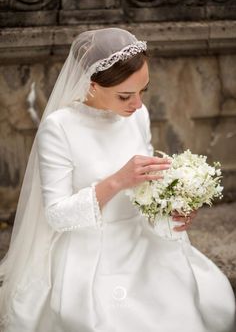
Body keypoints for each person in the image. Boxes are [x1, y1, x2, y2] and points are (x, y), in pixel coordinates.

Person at [0, 27, 235, 332]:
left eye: (143, 91)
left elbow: (149, 179)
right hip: (92, 247)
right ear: (92, 85)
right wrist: (117, 181)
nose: (137, 104)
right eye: (125, 95)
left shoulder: (137, 114)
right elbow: (56, 214)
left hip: (143, 237)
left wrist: (173, 205)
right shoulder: (59, 128)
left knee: (199, 306)